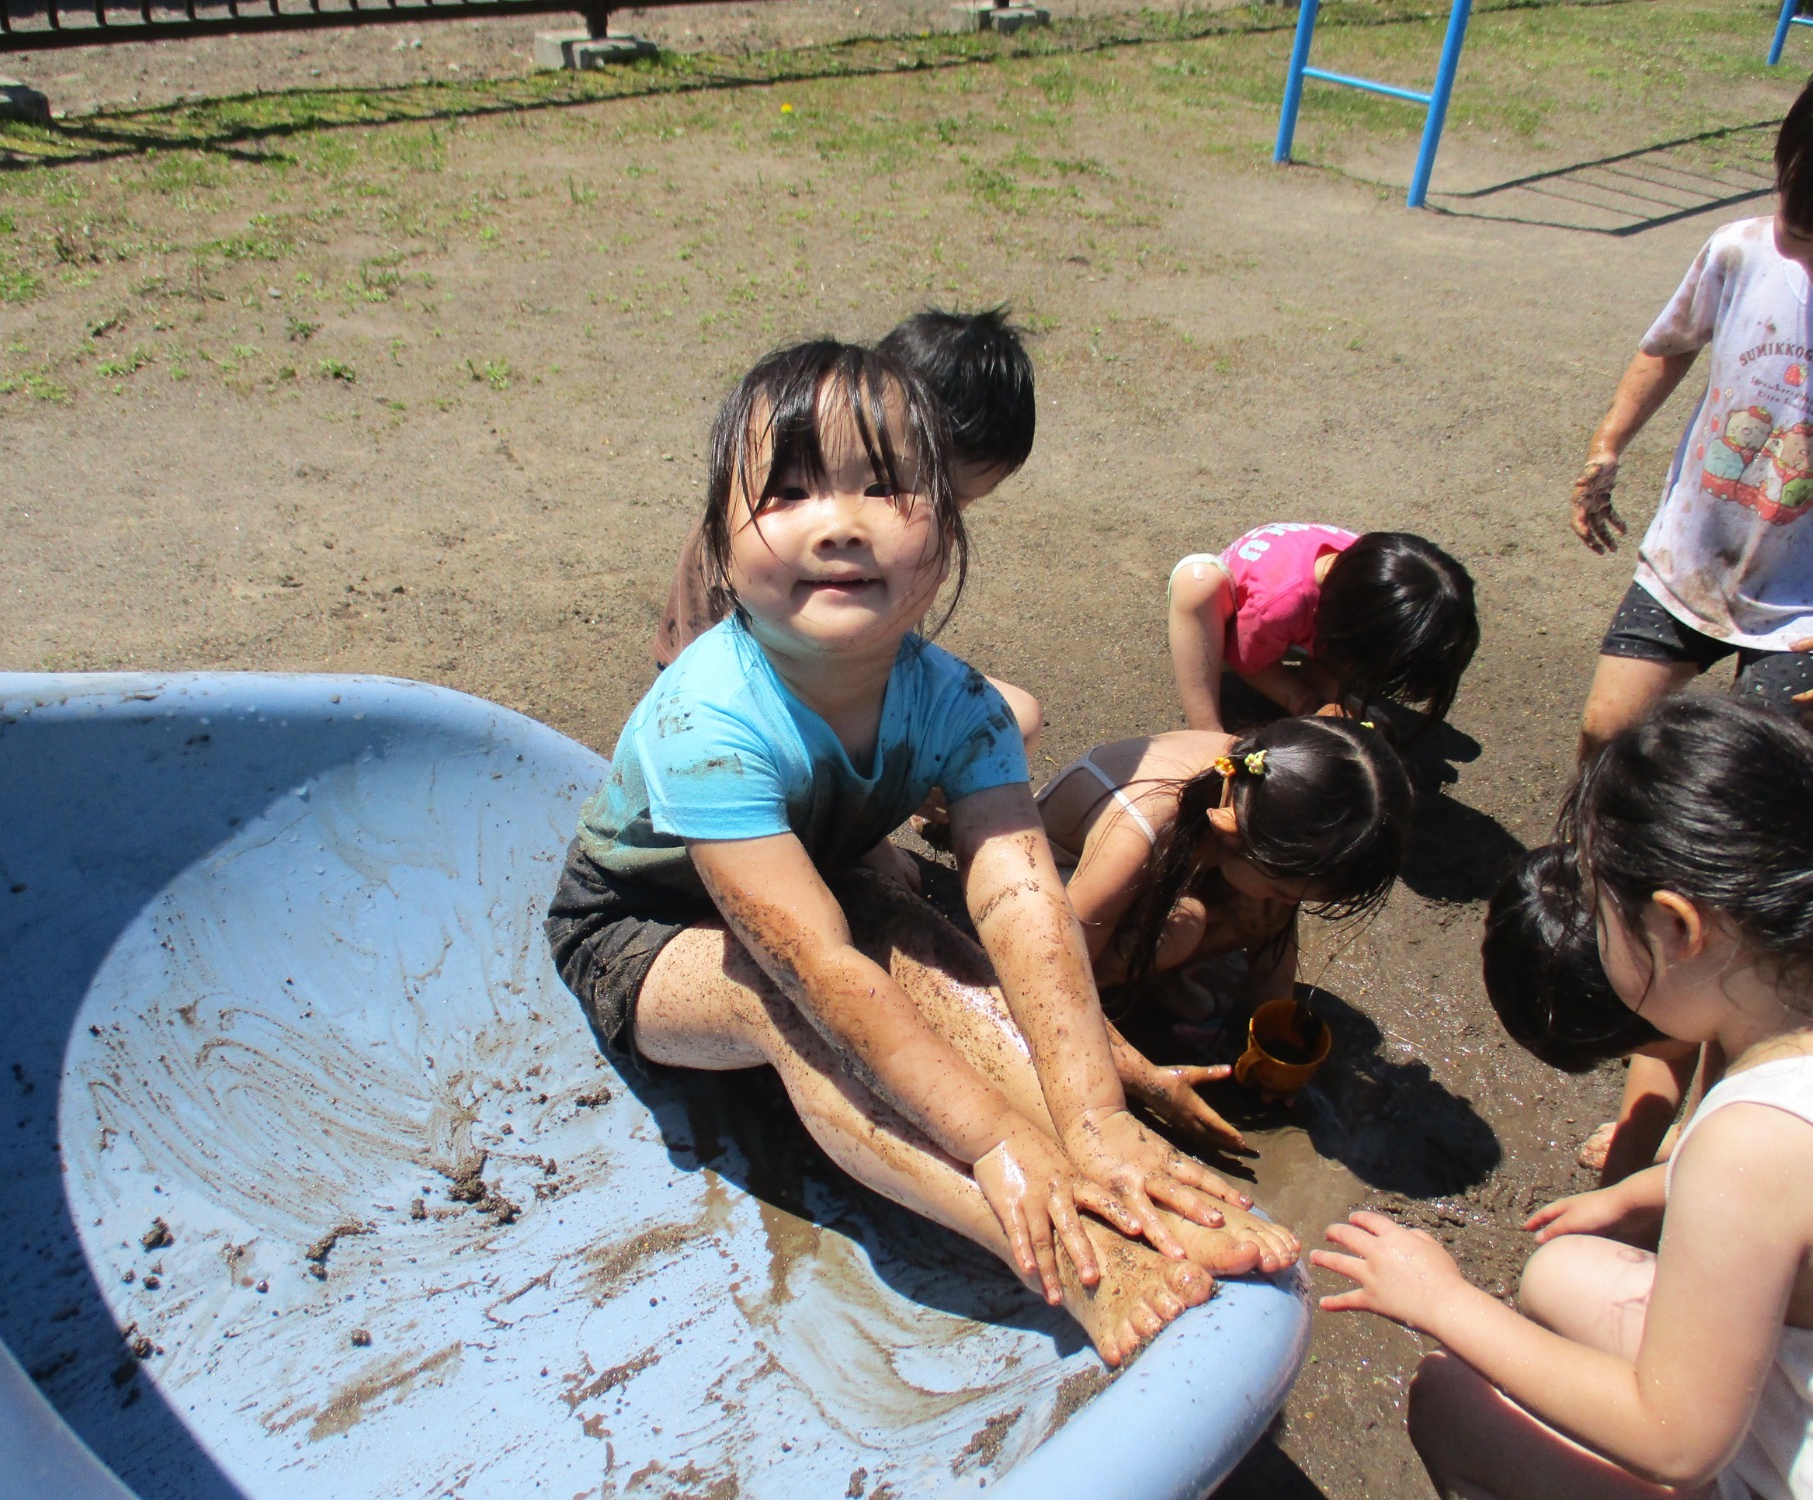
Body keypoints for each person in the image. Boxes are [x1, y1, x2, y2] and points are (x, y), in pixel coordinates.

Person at [549, 340, 1296, 1370]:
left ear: (946, 532)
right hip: (642, 932)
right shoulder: (706, 715)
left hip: (820, 881)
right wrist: (999, 1143)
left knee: (935, 949)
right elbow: (812, 966)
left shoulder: (958, 703)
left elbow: (1024, 907)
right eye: (790, 489)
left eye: (885, 486)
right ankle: (1059, 1251)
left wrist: (1091, 1114)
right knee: (796, 1007)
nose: (838, 519)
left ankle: (1121, 1176)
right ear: (718, 544)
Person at [1313, 696, 1813, 1498]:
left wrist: (1442, 1300)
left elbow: (1675, 1441)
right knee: (1562, 1275)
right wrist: (1653, 1187)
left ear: (1676, 926)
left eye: (1599, 908)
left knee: (1449, 1398)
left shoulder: (1755, 1144)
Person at [1571, 38, 1813, 761]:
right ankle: (1587, 861)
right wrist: (1608, 446)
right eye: (1805, 229)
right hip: (1693, 555)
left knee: (1738, 769)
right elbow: (1670, 343)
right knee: (1606, 734)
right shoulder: (1740, 252)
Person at [652, 305, 1044, 750]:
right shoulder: (760, 538)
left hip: (844, 685)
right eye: (889, 488)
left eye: (959, 504)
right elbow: (744, 672)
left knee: (1015, 720)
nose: (942, 521)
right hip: (751, 708)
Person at [1034, 720, 1412, 1148]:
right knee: (1182, 925)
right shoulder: (1138, 832)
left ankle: (1154, 972)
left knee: (1255, 909)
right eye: (1282, 889)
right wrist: (1146, 1080)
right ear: (1228, 830)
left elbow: (1276, 931)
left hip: (1150, 878)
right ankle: (1126, 987)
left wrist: (1272, 1042)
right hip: (1045, 886)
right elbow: (1048, 984)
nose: (1285, 906)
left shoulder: (1268, 790)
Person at [1482, 846, 1707, 1187]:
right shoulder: (1651, 932)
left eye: (1634, 1045)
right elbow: (1676, 1032)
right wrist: (1622, 1169)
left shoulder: (1784, 1048)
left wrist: (1636, 1198)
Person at [1167, 523, 1478, 736]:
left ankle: (1333, 692)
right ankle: (1206, 733)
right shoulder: (1278, 606)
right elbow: (1246, 660)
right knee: (1198, 586)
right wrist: (1302, 702)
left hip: (1314, 613)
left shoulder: (1371, 570)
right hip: (1243, 622)